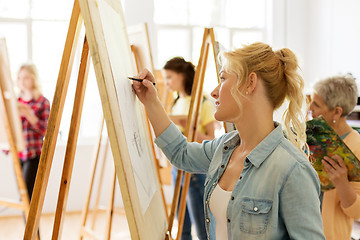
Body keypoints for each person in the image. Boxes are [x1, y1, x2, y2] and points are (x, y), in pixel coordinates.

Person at [132, 42, 325, 239]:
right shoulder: (224, 147)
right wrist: (151, 102)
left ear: (250, 83)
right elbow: (181, 153)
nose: (214, 92)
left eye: (223, 78)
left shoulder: (294, 170)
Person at [163, 57, 219, 240]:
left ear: (182, 76)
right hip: (176, 169)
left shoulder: (202, 103)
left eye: (170, 77)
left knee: (203, 230)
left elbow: (211, 140)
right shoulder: (177, 101)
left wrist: (191, 127)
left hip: (194, 171)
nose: (167, 82)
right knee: (182, 229)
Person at [309, 75, 360, 240]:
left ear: (337, 112)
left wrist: (342, 183)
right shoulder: (310, 136)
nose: (310, 107)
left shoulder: (356, 146)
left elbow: (356, 212)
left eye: (316, 104)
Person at [17, 63, 50, 200]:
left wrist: (29, 115)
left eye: (26, 78)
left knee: (29, 194)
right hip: (19, 153)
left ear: (33, 79)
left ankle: (32, 222)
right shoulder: (16, 102)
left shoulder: (43, 102)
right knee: (23, 195)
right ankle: (27, 222)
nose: (22, 82)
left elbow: (46, 131)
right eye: (19, 78)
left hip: (34, 154)